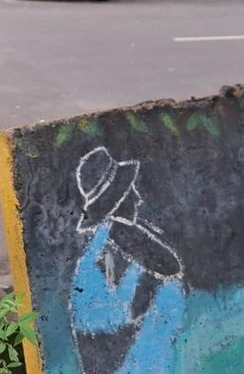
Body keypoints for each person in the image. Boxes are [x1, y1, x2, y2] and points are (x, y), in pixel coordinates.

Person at [70, 146, 186, 374]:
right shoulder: (120, 238)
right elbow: (171, 267)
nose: (138, 198)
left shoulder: (103, 243)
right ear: (118, 200)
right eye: (130, 190)